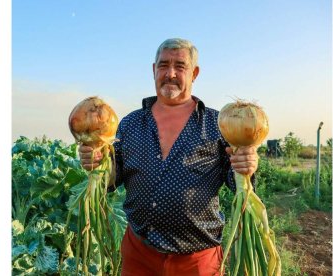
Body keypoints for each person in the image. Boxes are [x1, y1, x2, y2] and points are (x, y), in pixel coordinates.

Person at [79, 38, 259, 276]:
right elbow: (114, 176)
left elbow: (235, 180)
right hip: (139, 252)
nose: (170, 73)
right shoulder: (130, 123)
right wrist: (98, 164)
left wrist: (247, 166)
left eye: (180, 66)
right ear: (154, 70)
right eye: (163, 65)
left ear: (194, 73)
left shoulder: (218, 124)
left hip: (197, 259)